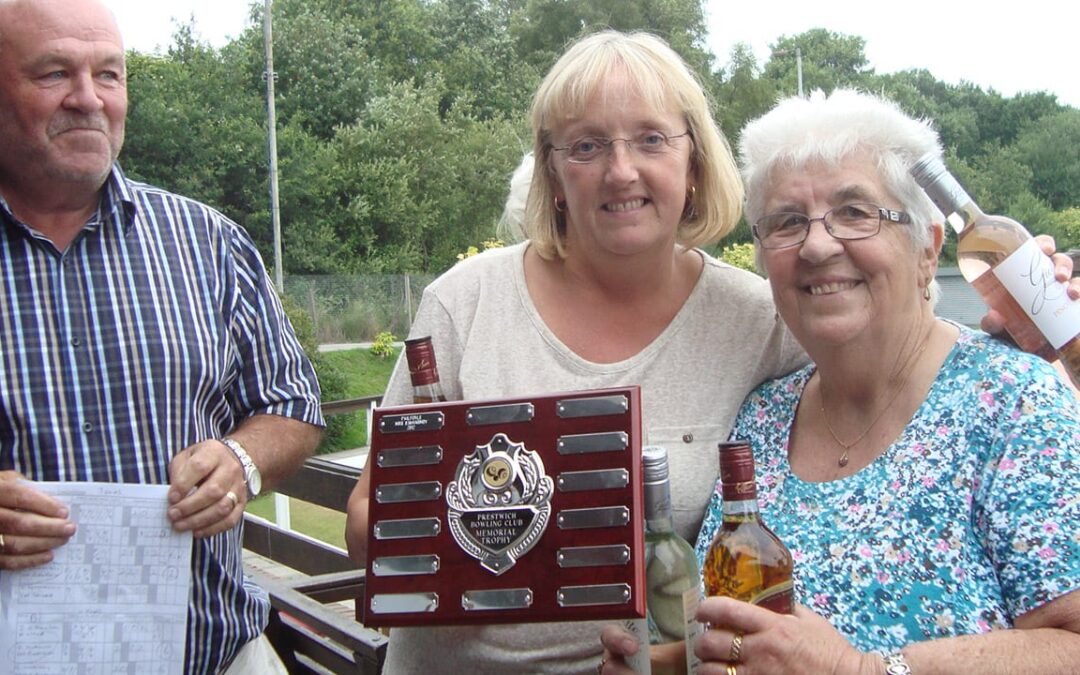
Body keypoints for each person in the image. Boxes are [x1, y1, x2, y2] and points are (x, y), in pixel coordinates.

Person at [345, 29, 808, 672]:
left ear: (694, 162)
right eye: (588, 145)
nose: (622, 170)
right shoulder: (465, 302)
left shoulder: (760, 322)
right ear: (555, 174)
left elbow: (885, 380)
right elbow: (365, 522)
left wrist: (998, 334)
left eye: (651, 138)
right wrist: (474, 523)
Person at [600, 89, 1080, 674]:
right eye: (787, 222)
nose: (818, 244)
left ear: (927, 248)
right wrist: (663, 665)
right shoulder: (764, 417)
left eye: (855, 213)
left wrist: (863, 671)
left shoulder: (1015, 404)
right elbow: (754, 645)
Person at [0, 1, 324, 673]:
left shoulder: (206, 242)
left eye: (109, 75)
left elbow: (293, 404)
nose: (88, 99)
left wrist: (241, 459)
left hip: (218, 656)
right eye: (55, 72)